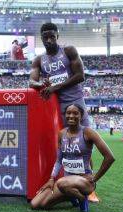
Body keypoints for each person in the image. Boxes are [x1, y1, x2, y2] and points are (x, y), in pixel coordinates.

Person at [29, 22, 100, 202]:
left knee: (84, 144)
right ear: (42, 38)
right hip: (58, 108)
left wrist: (55, 87)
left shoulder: (68, 50)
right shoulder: (39, 60)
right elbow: (32, 81)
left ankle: (89, 187)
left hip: (76, 103)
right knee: (69, 147)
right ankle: (70, 183)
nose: (49, 39)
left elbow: (80, 75)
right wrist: (41, 85)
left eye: (52, 36)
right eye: (45, 37)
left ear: (57, 36)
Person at [30, 104, 115, 212]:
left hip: (84, 182)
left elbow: (110, 157)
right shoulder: (61, 134)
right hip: (66, 182)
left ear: (81, 115)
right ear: (65, 115)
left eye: (75, 113)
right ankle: (72, 196)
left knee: (61, 183)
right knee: (37, 204)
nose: (71, 116)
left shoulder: (88, 132)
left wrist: (94, 178)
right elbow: (59, 160)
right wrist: (51, 179)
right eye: (68, 113)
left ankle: (82, 198)